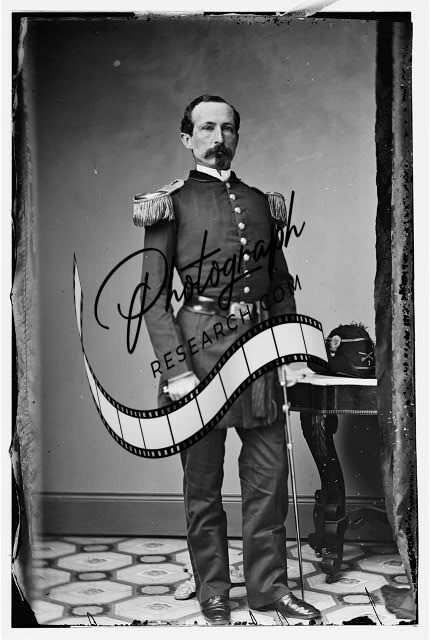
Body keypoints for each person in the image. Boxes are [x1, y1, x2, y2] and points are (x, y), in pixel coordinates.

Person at [134, 95, 320, 624]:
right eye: (207, 128)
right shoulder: (170, 205)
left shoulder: (260, 203)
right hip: (198, 357)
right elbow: (152, 298)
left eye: (228, 128)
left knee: (268, 478)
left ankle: (269, 589)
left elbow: (279, 286)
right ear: (187, 138)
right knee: (202, 484)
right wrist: (176, 371)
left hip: (258, 355)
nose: (219, 138)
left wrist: (289, 354)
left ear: (237, 135)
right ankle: (213, 590)